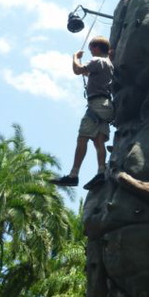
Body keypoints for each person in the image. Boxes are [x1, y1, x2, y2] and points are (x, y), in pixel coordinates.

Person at [51, 36, 114, 190]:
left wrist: (75, 58)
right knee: (98, 141)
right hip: (107, 106)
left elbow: (77, 70)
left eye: (92, 46)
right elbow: (89, 74)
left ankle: (73, 175)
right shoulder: (109, 64)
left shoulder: (96, 61)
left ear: (97, 47)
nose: (90, 50)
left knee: (82, 138)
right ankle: (101, 172)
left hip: (96, 105)